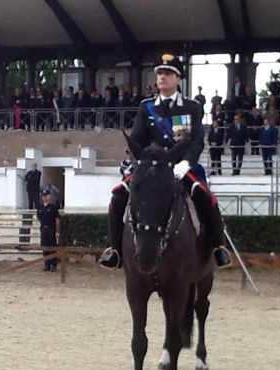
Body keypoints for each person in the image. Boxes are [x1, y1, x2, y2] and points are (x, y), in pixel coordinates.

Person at [98, 53, 232, 269]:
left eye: (168, 73)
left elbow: (196, 141)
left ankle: (218, 247)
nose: (162, 77)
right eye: (160, 72)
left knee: (205, 197)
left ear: (178, 79)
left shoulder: (191, 107)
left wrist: (185, 165)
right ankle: (114, 250)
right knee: (118, 195)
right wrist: (136, 163)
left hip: (180, 167)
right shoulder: (146, 107)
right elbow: (136, 141)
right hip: (151, 169)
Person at [37, 189, 60, 272]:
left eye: (46, 196)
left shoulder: (53, 207)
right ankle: (47, 264)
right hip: (43, 229)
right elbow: (39, 218)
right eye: (43, 196)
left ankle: (54, 265)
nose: (44, 198)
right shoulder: (40, 207)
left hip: (51, 229)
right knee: (45, 247)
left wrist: (57, 231)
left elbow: (57, 220)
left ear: (49, 196)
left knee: (52, 247)